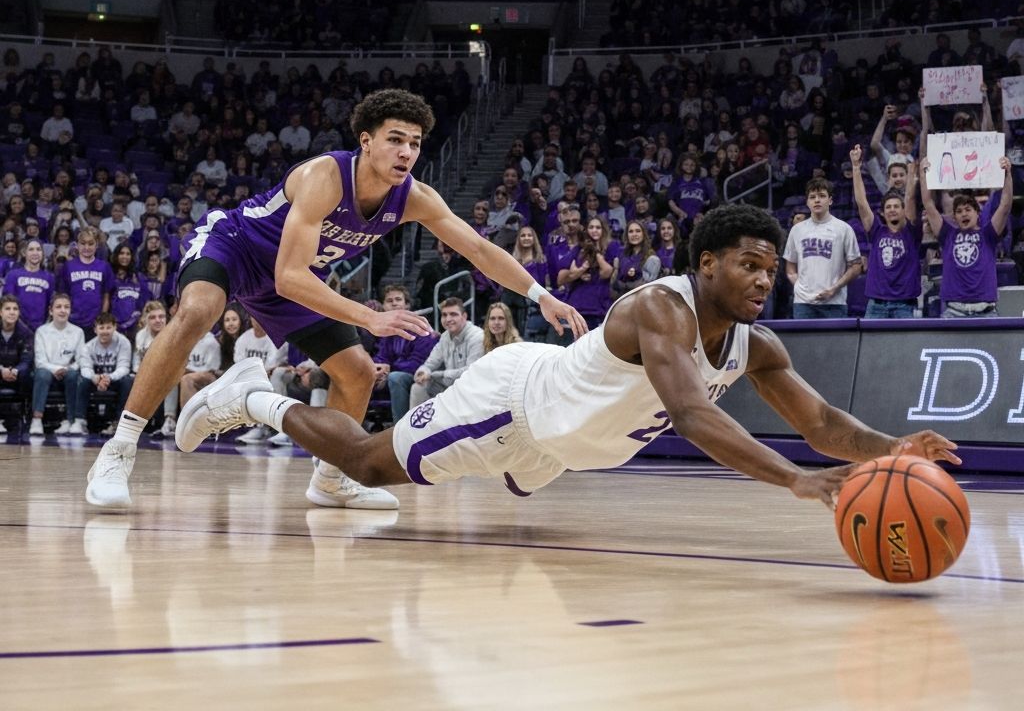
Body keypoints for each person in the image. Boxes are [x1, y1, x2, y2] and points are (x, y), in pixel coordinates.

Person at [176, 205, 959, 509]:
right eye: (749, 264)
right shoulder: (661, 305)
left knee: (524, 481)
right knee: (374, 465)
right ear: (708, 263)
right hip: (511, 399)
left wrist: (894, 452)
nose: (765, 278)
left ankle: (518, 464)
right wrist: (794, 480)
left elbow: (820, 420)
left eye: (773, 267)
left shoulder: (759, 344)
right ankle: (250, 398)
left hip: (563, 445)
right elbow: (688, 413)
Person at [86, 89, 586, 511]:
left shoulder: (414, 197)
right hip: (238, 248)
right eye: (395, 139)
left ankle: (331, 479)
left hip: (298, 275)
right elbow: (287, 275)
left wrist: (540, 294)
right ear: (366, 142)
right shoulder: (325, 176)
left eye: (414, 143)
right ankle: (120, 448)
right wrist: (371, 316)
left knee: (358, 373)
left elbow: (477, 248)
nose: (406, 152)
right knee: (198, 310)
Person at [919, 154, 1013, 318]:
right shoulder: (947, 234)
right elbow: (928, 204)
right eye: (959, 211)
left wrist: (1007, 174)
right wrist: (922, 173)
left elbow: (1005, 204)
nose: (964, 214)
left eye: (968, 209)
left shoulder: (988, 234)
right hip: (953, 311)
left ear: (978, 213)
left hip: (986, 311)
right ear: (954, 217)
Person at [850, 146, 921, 319]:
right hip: (876, 305)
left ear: (904, 210)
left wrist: (912, 176)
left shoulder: (912, 232)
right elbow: (861, 202)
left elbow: (910, 198)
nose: (892, 210)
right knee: (871, 347)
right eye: (888, 207)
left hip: (904, 305)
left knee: (906, 347)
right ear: (882, 212)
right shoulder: (877, 231)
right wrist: (856, 167)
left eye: (896, 206)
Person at [783, 179, 862, 318]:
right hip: (803, 303)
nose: (817, 200)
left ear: (830, 200)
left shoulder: (844, 229)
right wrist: (799, 286)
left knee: (835, 341)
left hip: (835, 303)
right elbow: (790, 267)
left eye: (822, 196)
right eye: (812, 197)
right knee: (804, 340)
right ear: (807, 202)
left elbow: (856, 267)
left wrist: (834, 289)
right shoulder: (797, 230)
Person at [374, 285, 439, 425]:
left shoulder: (421, 328)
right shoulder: (386, 331)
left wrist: (389, 369)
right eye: (389, 300)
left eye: (398, 299)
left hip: (419, 376)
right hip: (392, 375)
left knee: (395, 377)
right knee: (365, 373)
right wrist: (377, 368)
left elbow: (418, 363)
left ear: (407, 305)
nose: (394, 303)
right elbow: (381, 357)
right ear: (384, 306)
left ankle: (400, 428)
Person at [410, 297, 484, 409]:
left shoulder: (477, 336)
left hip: (470, 389)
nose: (448, 319)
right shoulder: (445, 336)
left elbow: (470, 372)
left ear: (464, 316)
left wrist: (434, 375)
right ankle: (415, 426)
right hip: (450, 387)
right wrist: (422, 372)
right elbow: (430, 363)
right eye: (444, 315)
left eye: (453, 314)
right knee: (418, 387)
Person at [30, 293, 86, 436]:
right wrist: (56, 369)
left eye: (66, 307)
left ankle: (71, 421)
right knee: (42, 374)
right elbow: (40, 361)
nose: (63, 310)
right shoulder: (42, 331)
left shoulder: (78, 332)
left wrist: (67, 369)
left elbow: (81, 359)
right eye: (58, 307)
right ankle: (37, 420)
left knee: (74, 375)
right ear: (51, 310)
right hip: (47, 371)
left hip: (68, 372)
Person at [78, 312, 133, 435]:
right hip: (95, 380)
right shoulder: (88, 346)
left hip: (114, 380)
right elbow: (85, 368)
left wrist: (109, 377)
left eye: (108, 327)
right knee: (82, 379)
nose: (105, 331)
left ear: (115, 327)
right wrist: (95, 378)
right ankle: (80, 420)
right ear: (95, 329)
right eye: (101, 328)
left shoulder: (124, 342)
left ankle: (119, 422)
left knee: (127, 380)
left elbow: (124, 367)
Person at [0, 294, 32, 434]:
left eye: (15, 309)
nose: (12, 312)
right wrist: (1, 370)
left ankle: (25, 419)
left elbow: (27, 359)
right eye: (8, 309)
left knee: (30, 374)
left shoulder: (26, 333)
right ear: (0, 312)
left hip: (17, 376)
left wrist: (15, 371)